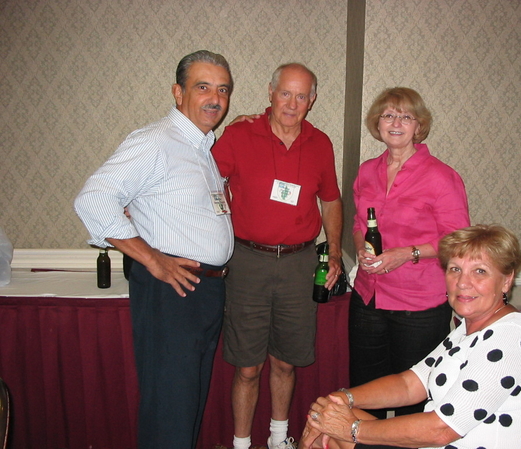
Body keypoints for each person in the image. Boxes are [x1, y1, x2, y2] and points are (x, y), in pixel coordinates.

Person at [74, 50, 234, 449]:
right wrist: (151, 258)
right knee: (170, 411)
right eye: (203, 87)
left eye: (223, 89)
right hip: (172, 293)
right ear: (178, 93)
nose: (215, 98)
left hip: (203, 292)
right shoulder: (156, 141)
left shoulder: (200, 148)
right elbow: (93, 200)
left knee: (187, 408)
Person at [301, 224, 521, 449]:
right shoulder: (465, 331)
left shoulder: (511, 336)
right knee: (326, 418)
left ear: (506, 280)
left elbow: (442, 429)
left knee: (334, 429)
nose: (463, 282)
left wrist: (352, 429)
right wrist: (341, 398)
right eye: (455, 269)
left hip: (446, 441)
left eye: (479, 271)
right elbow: (409, 384)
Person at [212, 62, 343, 449]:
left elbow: (331, 201)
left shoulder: (320, 144)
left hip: (301, 263)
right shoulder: (238, 134)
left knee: (286, 361)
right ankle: (241, 444)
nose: (292, 103)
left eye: (301, 96)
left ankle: (277, 439)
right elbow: (205, 181)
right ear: (270, 93)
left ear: (312, 101)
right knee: (248, 367)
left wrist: (334, 252)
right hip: (247, 261)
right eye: (285, 93)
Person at [350, 87, 470, 418]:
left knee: (412, 402)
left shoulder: (441, 177)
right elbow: (359, 225)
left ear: (419, 126)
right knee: (364, 392)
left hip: (418, 308)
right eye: (388, 115)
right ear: (378, 123)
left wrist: (407, 253)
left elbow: (457, 240)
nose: (396, 122)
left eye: (406, 116)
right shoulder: (366, 171)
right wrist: (361, 249)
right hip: (368, 299)